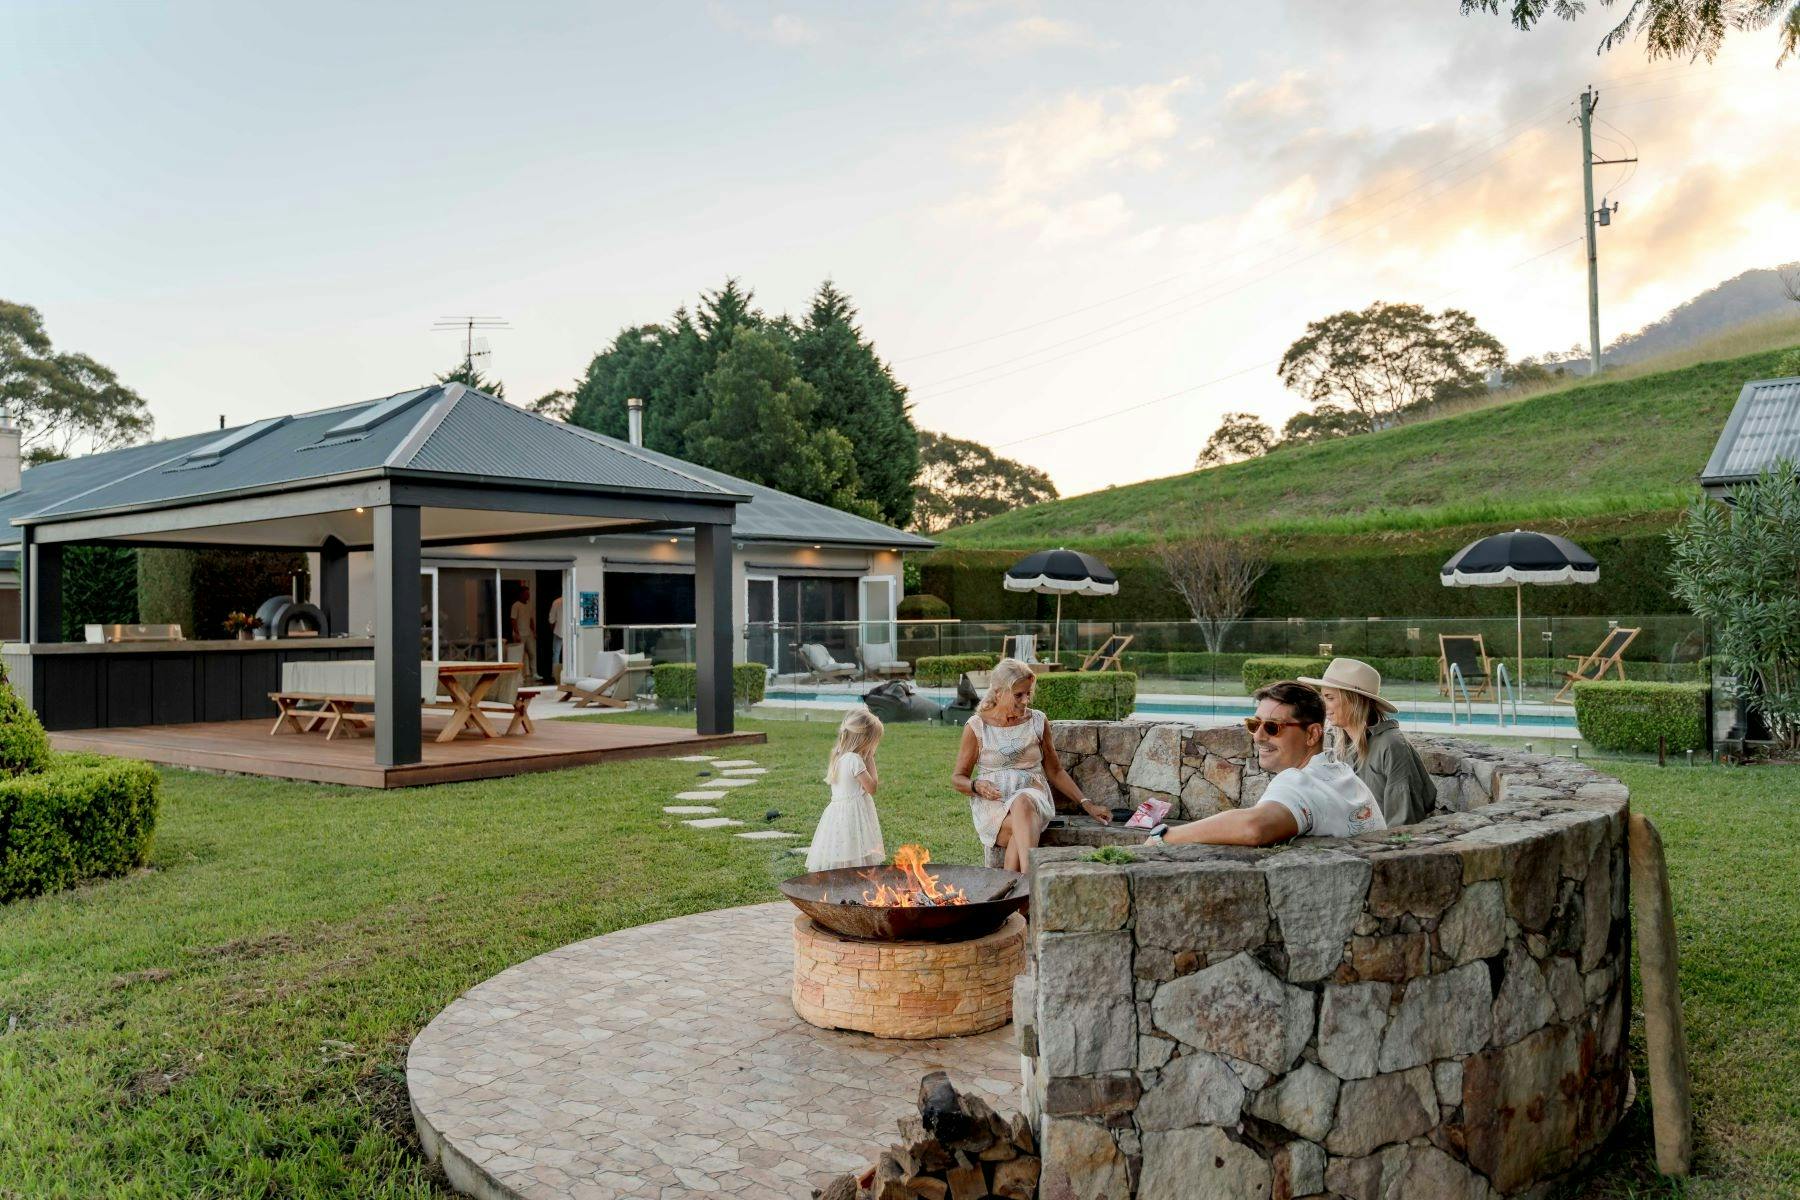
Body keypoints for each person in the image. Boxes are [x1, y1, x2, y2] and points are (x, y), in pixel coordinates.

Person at [1154, 680, 1385, 847]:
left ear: (1312, 734)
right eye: (1255, 724)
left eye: (1273, 727)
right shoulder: (1341, 774)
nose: (1258, 736)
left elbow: (1254, 828)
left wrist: (1164, 835)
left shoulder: (1300, 781)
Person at [953, 658, 1112, 873]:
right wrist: (976, 786)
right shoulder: (977, 726)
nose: (1026, 700)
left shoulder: (1037, 721)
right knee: (1022, 831)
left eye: (1028, 693)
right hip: (994, 806)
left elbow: (1054, 770)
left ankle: (1026, 887)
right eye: (1018, 694)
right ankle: (1022, 894)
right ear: (998, 692)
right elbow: (958, 778)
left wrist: (1087, 804)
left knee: (1022, 802)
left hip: (1034, 798)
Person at [1301, 657, 1437, 828]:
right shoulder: (1341, 742)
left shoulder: (1391, 745)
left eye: (1329, 698)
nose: (1323, 706)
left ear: (1354, 700)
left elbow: (1402, 824)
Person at [806, 709, 887, 872]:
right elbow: (872, 787)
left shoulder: (840, 757)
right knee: (856, 850)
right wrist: (870, 758)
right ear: (865, 739)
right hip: (854, 814)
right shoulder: (855, 760)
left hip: (838, 814)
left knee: (845, 850)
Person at [508, 584, 536, 681]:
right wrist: (517, 633)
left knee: (532, 653)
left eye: (528, 594)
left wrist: (534, 631)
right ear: (521, 594)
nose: (528, 595)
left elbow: (531, 619)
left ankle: (534, 673)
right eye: (526, 594)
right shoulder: (516, 605)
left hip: (528, 633)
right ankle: (520, 676)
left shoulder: (529, 605)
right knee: (519, 655)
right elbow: (513, 620)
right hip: (519, 634)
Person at [547, 591, 565, 683]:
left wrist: (552, 629)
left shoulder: (556, 602)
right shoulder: (573, 600)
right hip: (571, 632)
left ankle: (555, 674)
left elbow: (551, 619)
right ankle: (568, 672)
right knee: (569, 654)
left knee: (556, 653)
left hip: (558, 631)